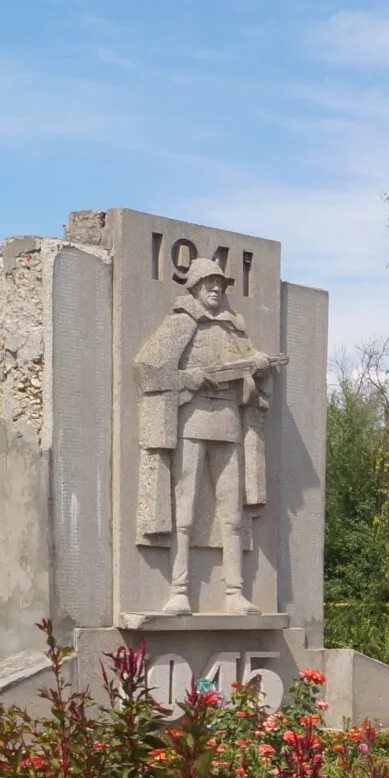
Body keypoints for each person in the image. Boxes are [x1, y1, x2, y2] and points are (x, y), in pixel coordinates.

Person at [132, 256, 287, 614]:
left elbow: (251, 379)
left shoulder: (234, 328)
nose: (217, 289)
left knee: (231, 511)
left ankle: (234, 592)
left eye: (220, 284)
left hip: (229, 424)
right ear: (195, 287)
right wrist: (189, 378)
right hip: (193, 420)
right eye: (210, 283)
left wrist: (259, 369)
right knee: (184, 507)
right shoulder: (181, 323)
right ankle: (180, 590)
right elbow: (147, 369)